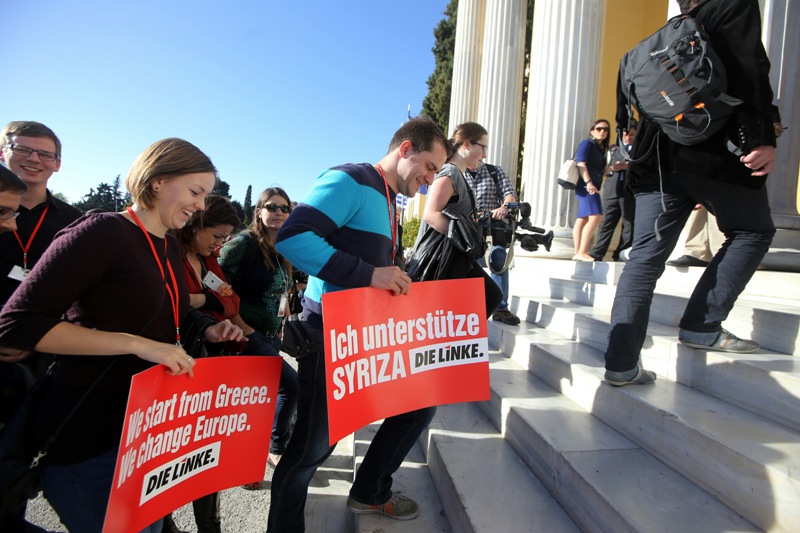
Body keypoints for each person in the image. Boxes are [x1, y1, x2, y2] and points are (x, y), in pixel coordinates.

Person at [0, 138, 246, 532]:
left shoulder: (167, 244)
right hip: (90, 438)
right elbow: (17, 324)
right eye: (196, 192)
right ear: (157, 183)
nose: (201, 206)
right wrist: (136, 344)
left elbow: (171, 314)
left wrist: (209, 329)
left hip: (143, 435)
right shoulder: (102, 232)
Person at [269, 117, 450, 532]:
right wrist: (371, 275)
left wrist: (394, 275)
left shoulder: (390, 197)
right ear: (405, 149)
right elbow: (293, 237)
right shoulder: (349, 180)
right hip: (332, 336)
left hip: (372, 336)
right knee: (311, 451)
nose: (430, 178)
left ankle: (370, 491)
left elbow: (368, 260)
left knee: (418, 406)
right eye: (429, 166)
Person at [603, 0, 778, 386]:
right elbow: (750, 69)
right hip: (711, 153)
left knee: (645, 259)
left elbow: (629, 114)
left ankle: (619, 364)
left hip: (654, 163)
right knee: (753, 230)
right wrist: (762, 135)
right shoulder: (734, 7)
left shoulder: (654, 41)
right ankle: (701, 323)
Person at [0, 121, 83, 532]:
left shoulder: (74, 222)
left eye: (45, 154)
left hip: (41, 358)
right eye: (23, 149)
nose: (33, 159)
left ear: (58, 165)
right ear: (3, 152)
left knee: (13, 465)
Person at [218, 187, 299, 477]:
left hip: (268, 333)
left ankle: (247, 467)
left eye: (284, 208)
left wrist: (280, 325)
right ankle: (276, 449)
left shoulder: (283, 248)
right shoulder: (243, 243)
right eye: (272, 207)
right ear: (260, 211)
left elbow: (281, 292)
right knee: (290, 386)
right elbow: (215, 283)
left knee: (258, 402)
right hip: (243, 335)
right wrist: (240, 325)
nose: (278, 213)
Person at [410, 121, 502, 317]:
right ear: (467, 144)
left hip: (451, 258)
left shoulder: (457, 174)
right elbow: (430, 214)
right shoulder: (450, 172)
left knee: (485, 299)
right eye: (483, 147)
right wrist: (466, 238)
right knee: (490, 296)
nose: (485, 155)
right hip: (441, 258)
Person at [465, 160, 521, 324]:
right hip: (467, 230)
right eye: (481, 146)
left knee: (499, 257)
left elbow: (510, 195)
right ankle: (467, 306)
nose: (483, 151)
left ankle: (501, 309)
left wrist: (504, 207)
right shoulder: (457, 172)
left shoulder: (494, 171)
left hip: (490, 229)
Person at [590, 122, 637, 262]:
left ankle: (621, 253)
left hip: (630, 192)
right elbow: (602, 168)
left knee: (628, 223)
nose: (628, 137)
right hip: (612, 191)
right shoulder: (612, 149)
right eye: (625, 134)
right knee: (606, 223)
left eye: (632, 134)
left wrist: (629, 166)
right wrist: (612, 168)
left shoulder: (639, 150)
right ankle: (597, 252)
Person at [573, 119, 610, 261]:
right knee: (596, 216)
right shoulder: (587, 143)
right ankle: (582, 251)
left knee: (582, 219)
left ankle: (578, 252)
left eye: (606, 129)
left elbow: (596, 168)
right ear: (592, 130)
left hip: (590, 185)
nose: (602, 131)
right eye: (599, 128)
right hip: (587, 186)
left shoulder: (599, 148)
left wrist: (611, 168)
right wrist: (588, 182)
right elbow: (580, 163)